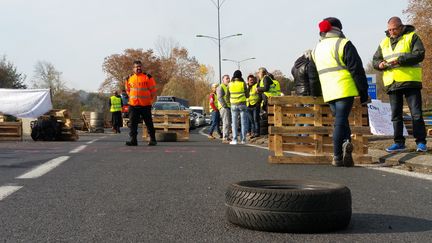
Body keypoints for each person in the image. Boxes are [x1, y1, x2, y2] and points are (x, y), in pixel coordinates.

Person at [309, 17, 369, 167]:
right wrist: (363, 92)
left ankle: (346, 145)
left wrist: (316, 93)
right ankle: (336, 155)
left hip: (328, 92)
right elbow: (357, 69)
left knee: (342, 121)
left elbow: (313, 75)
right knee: (340, 122)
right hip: (344, 88)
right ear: (338, 29)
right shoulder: (343, 43)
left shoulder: (316, 49)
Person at [372, 16, 427, 152]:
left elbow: (419, 54)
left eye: (394, 29)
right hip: (392, 83)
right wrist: (380, 64)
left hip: (410, 81)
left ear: (401, 27)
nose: (391, 32)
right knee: (395, 116)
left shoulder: (412, 37)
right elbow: (375, 60)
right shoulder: (384, 42)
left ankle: (421, 142)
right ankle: (399, 142)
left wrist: (400, 60)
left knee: (416, 114)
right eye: (389, 29)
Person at [125, 60, 157, 146]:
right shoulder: (129, 78)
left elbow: (153, 91)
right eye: (136, 67)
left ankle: (153, 139)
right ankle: (133, 140)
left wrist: (149, 100)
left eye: (140, 66)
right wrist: (132, 98)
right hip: (133, 105)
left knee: (148, 123)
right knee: (132, 124)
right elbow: (128, 90)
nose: (138, 68)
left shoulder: (148, 77)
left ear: (142, 67)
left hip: (145, 105)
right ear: (133, 68)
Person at [227, 70, 249, 145]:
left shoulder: (230, 84)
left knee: (234, 123)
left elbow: (227, 95)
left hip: (233, 105)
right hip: (242, 105)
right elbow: (247, 95)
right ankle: (243, 140)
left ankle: (235, 139)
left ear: (233, 76)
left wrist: (229, 102)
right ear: (241, 76)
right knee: (243, 123)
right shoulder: (243, 84)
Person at [217, 74, 232, 143]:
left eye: (229, 78)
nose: (228, 80)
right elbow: (219, 97)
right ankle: (225, 138)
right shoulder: (220, 87)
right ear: (223, 80)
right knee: (226, 122)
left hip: (228, 107)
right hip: (224, 107)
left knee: (228, 123)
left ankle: (227, 136)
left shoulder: (228, 87)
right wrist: (225, 105)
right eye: (227, 78)